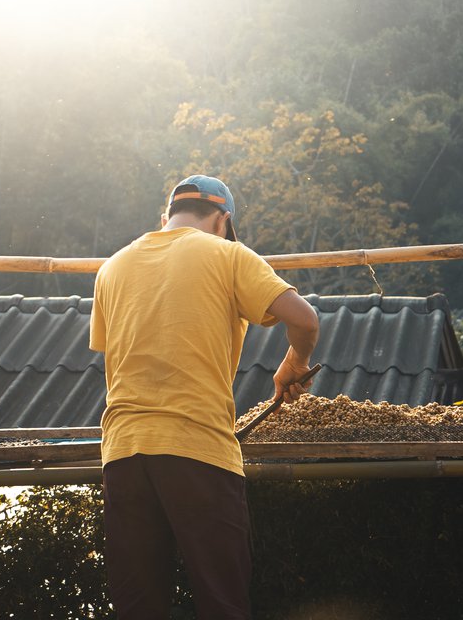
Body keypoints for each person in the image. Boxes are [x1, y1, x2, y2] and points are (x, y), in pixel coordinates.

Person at [90, 174, 321, 619]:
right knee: (223, 604)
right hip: (198, 449)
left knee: (138, 609)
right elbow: (306, 321)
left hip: (122, 453)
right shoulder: (227, 254)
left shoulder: (112, 267)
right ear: (222, 221)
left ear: (166, 219)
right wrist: (293, 364)